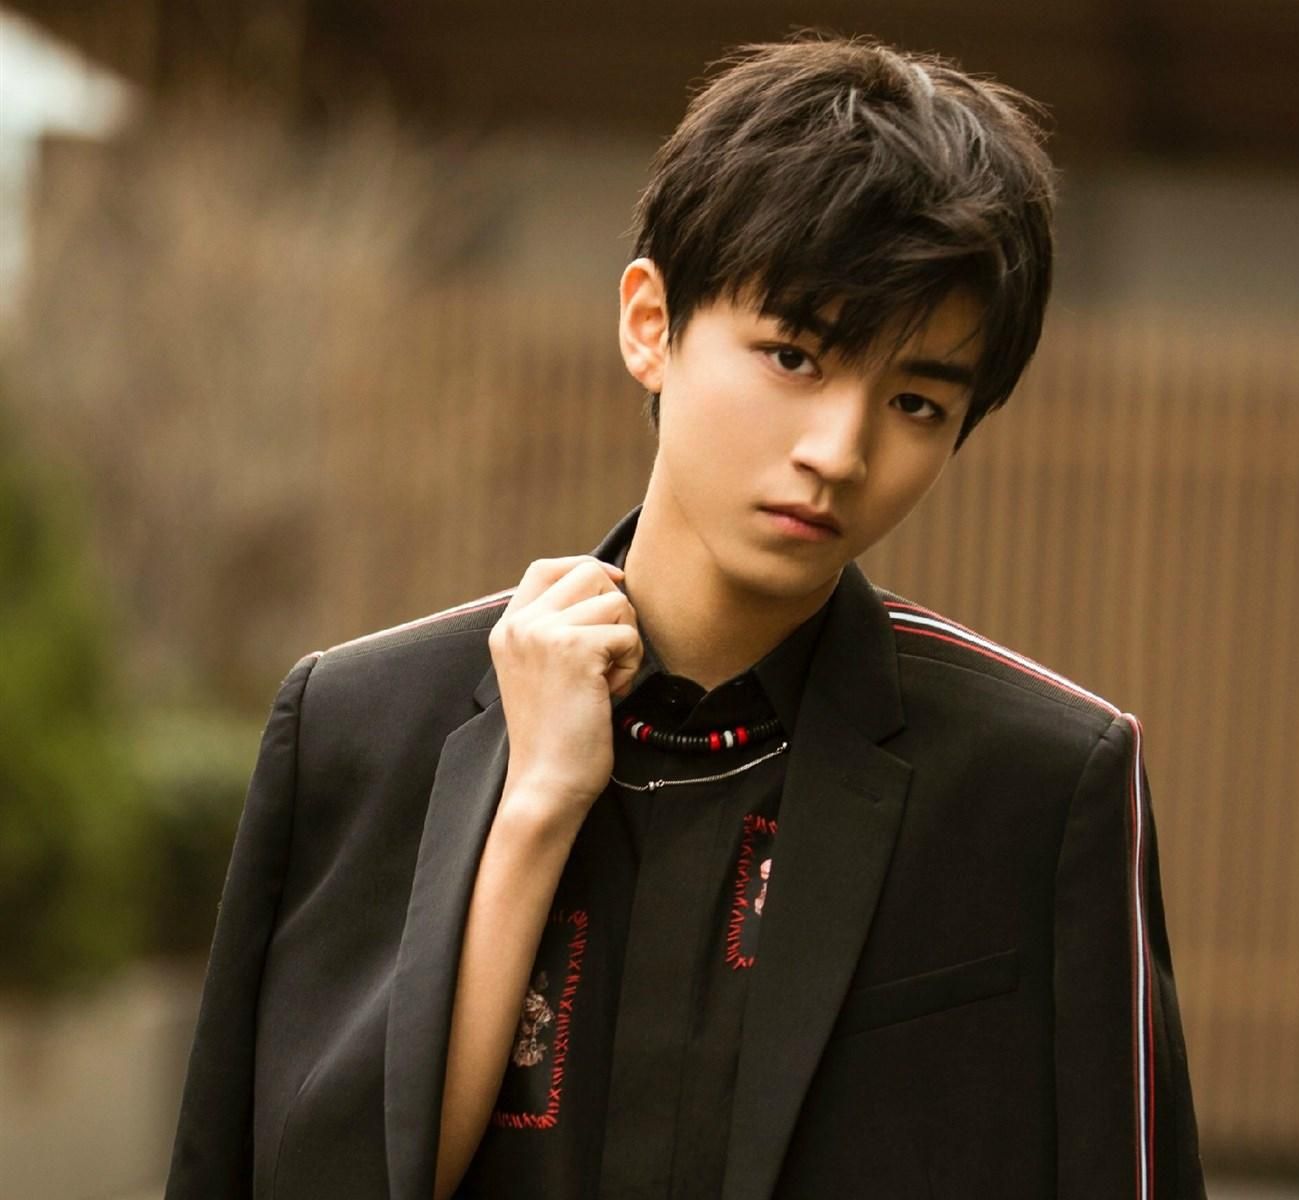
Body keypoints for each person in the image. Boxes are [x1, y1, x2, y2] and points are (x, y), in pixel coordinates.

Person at [166, 34, 1207, 1200]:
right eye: (793, 356)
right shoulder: (359, 727)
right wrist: (531, 813)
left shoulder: (1041, 782)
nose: (840, 451)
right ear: (650, 324)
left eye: (915, 400)